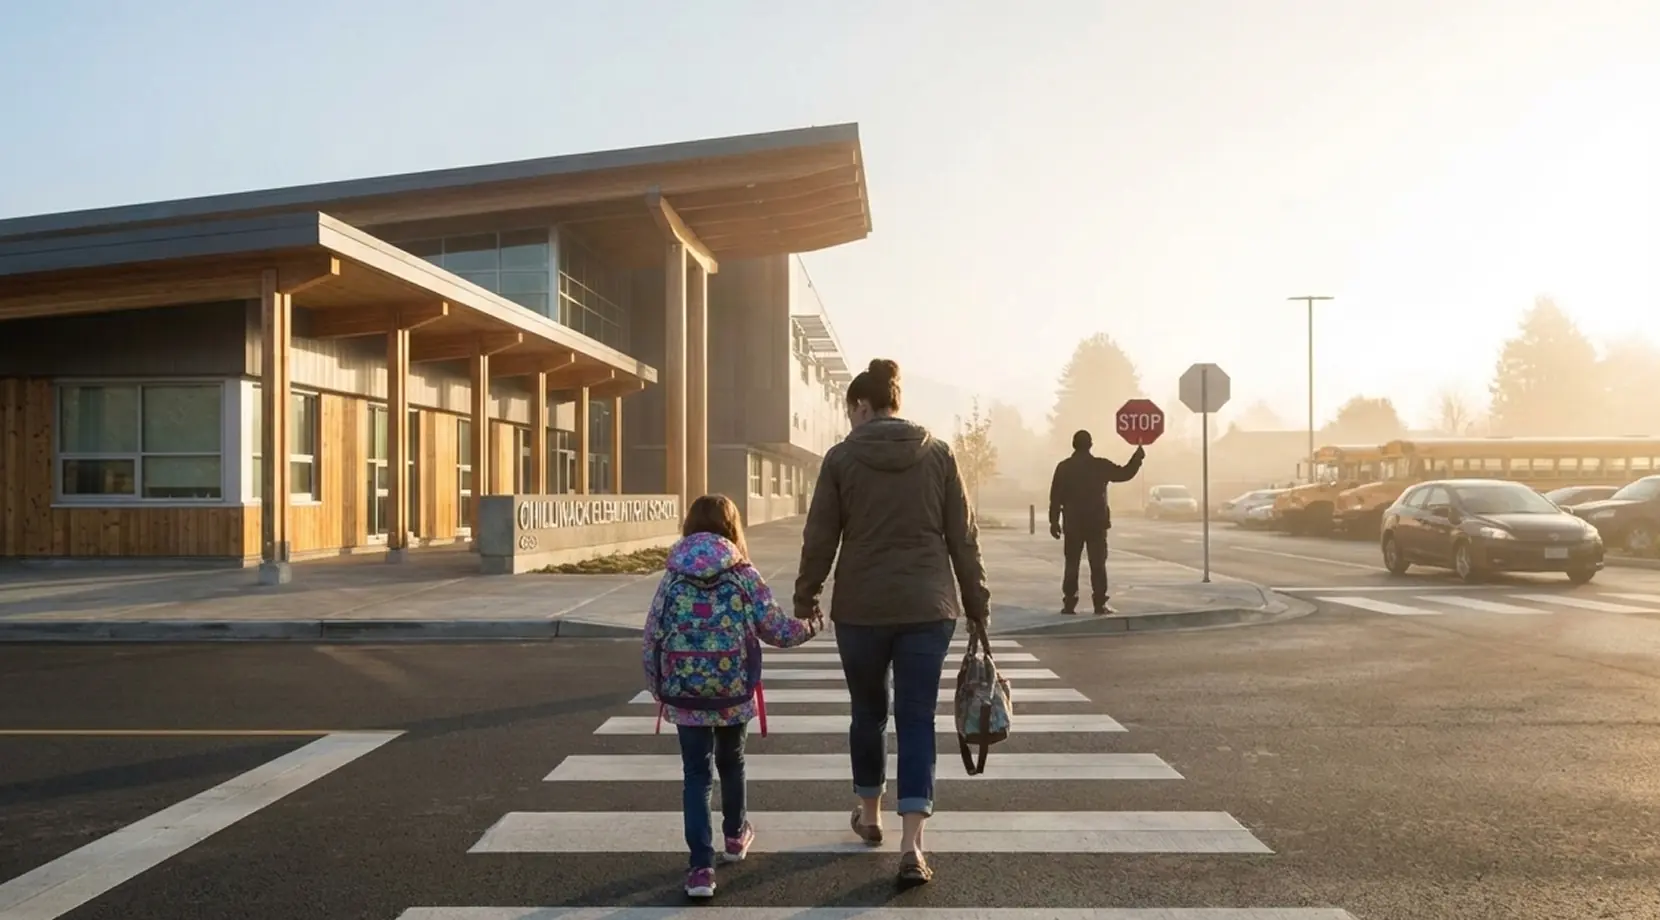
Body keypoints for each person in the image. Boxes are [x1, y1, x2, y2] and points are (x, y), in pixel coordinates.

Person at [794, 358, 992, 887]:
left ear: (862, 406)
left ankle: (871, 815)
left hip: (860, 608)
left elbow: (820, 537)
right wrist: (977, 605)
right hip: (928, 609)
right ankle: (913, 846)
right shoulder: (940, 454)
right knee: (917, 718)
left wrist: (806, 595)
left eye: (849, 412)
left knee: (867, 711)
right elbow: (963, 538)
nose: (849, 422)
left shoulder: (841, 459)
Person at [642, 494, 820, 900]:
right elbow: (775, 628)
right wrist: (811, 625)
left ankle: (701, 869)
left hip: (686, 694)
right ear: (732, 527)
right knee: (732, 761)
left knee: (696, 776)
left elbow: (652, 635)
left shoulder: (672, 576)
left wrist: (659, 688)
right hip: (733, 690)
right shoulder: (742, 574)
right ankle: (736, 835)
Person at [1048, 429, 1145, 615]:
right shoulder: (1099, 466)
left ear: (1073, 445)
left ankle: (1069, 603)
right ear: (1090, 445)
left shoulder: (1064, 468)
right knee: (1098, 564)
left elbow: (1055, 497)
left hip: (1073, 523)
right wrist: (1137, 457)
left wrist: (1054, 522)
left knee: (1071, 564)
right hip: (1096, 524)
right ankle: (1099, 604)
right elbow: (1125, 473)